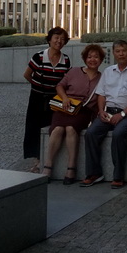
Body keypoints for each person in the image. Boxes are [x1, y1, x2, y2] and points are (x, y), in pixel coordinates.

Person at [80, 39, 127, 189]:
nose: (121, 54)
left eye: (124, 51)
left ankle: (118, 175)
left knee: (119, 134)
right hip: (108, 112)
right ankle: (94, 173)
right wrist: (101, 111)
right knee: (91, 133)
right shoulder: (108, 72)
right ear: (114, 54)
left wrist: (122, 114)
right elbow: (101, 94)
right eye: (118, 51)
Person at [47, 43, 104, 185]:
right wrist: (65, 98)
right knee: (58, 129)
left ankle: (71, 168)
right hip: (65, 107)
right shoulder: (74, 71)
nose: (92, 59)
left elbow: (102, 99)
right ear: (85, 59)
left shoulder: (103, 78)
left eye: (96, 57)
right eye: (89, 57)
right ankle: (48, 167)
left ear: (101, 60)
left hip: (83, 112)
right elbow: (60, 86)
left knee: (71, 129)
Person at [23, 27, 71, 175]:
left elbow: (65, 81)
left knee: (50, 127)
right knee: (34, 128)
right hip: (37, 97)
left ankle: (49, 159)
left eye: (62, 39)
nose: (59, 41)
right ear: (49, 40)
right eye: (56, 38)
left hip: (54, 99)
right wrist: (37, 86)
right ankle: (37, 160)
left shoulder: (66, 60)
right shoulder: (39, 57)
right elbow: (27, 75)